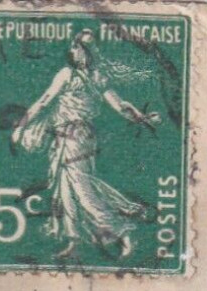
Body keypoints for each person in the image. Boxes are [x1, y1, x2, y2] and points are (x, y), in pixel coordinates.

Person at [11, 29, 163, 260]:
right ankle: (74, 241)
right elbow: (121, 107)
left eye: (77, 46)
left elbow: (43, 102)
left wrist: (21, 127)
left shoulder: (71, 74)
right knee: (66, 188)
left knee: (83, 189)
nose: (72, 50)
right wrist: (142, 118)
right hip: (69, 137)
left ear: (86, 51)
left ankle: (123, 231)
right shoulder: (94, 76)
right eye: (73, 46)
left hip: (76, 137)